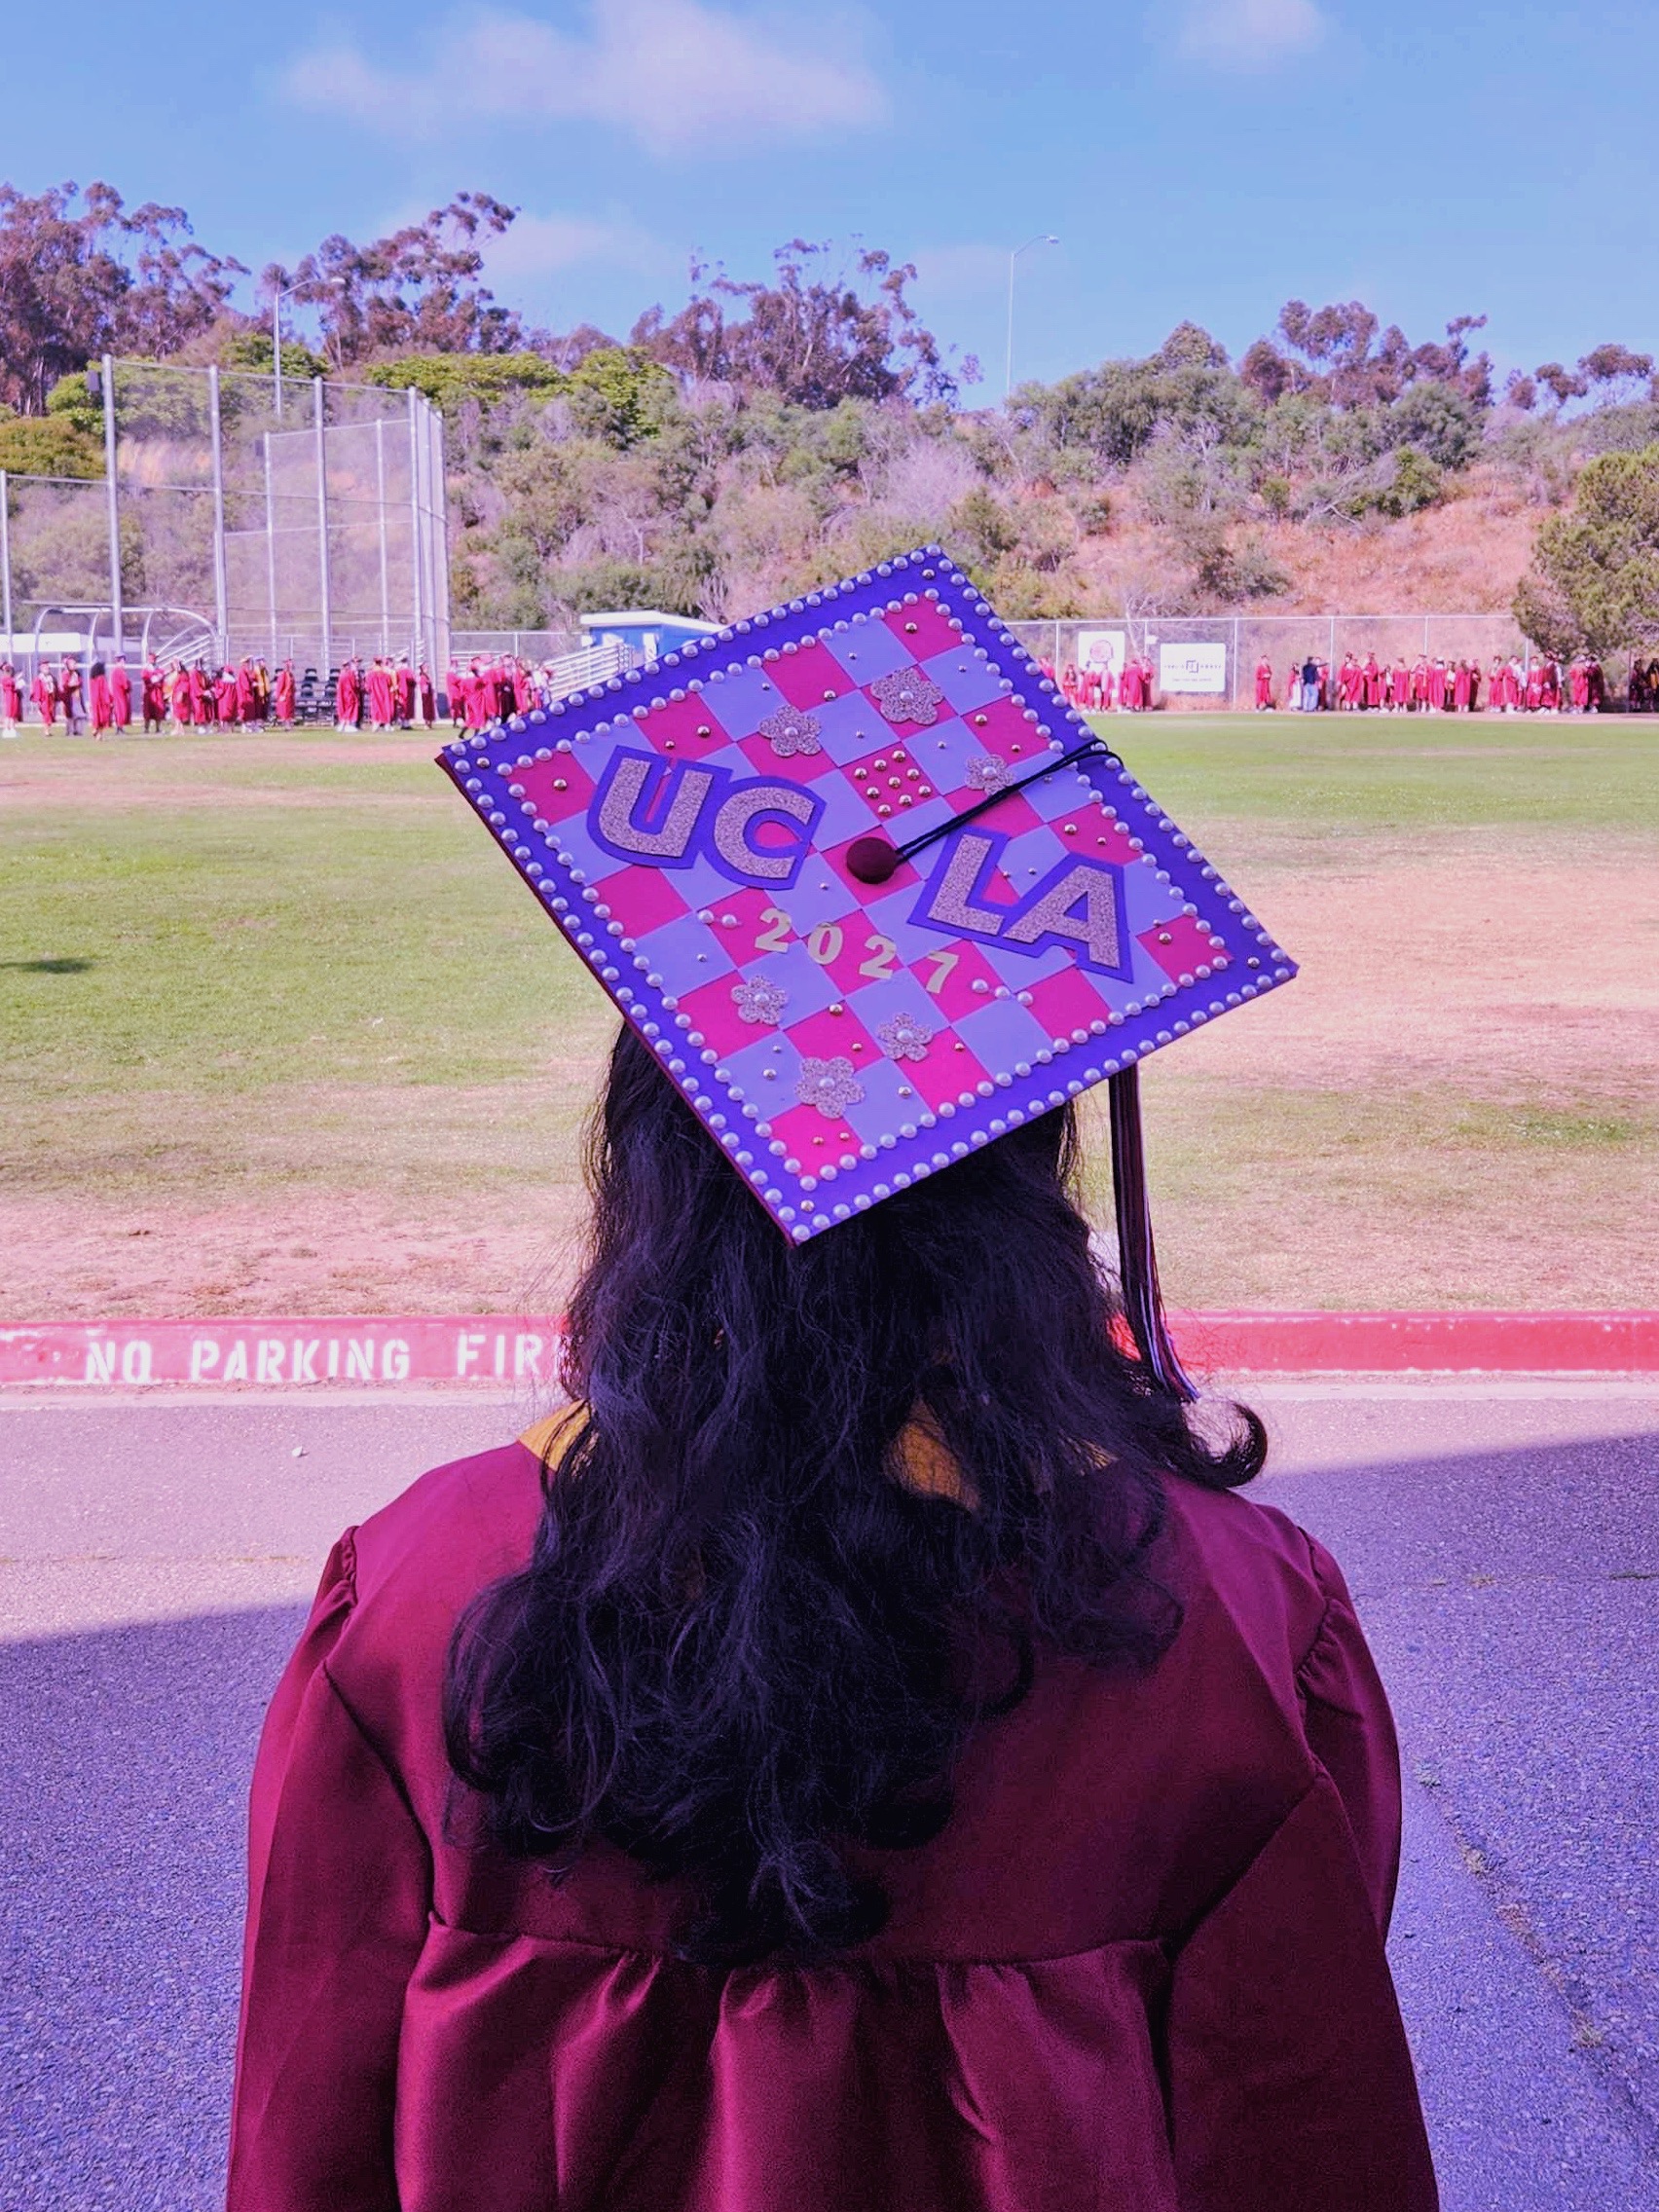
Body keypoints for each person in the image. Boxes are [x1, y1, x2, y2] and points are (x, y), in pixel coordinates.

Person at [229, 583, 1437, 2212]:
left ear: (648, 1170)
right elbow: (1301, 2130)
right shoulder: (1224, 1624)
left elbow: (311, 2120)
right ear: (1028, 1182)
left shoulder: (419, 1590)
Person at [0, 660, 20, 735]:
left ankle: (12, 728)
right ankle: (6, 728)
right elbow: (9, 684)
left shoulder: (12, 678)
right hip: (9, 696)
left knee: (13, 713)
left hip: (14, 695)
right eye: (6, 670)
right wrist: (15, 681)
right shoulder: (4, 679)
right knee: (8, 713)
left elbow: (15, 685)